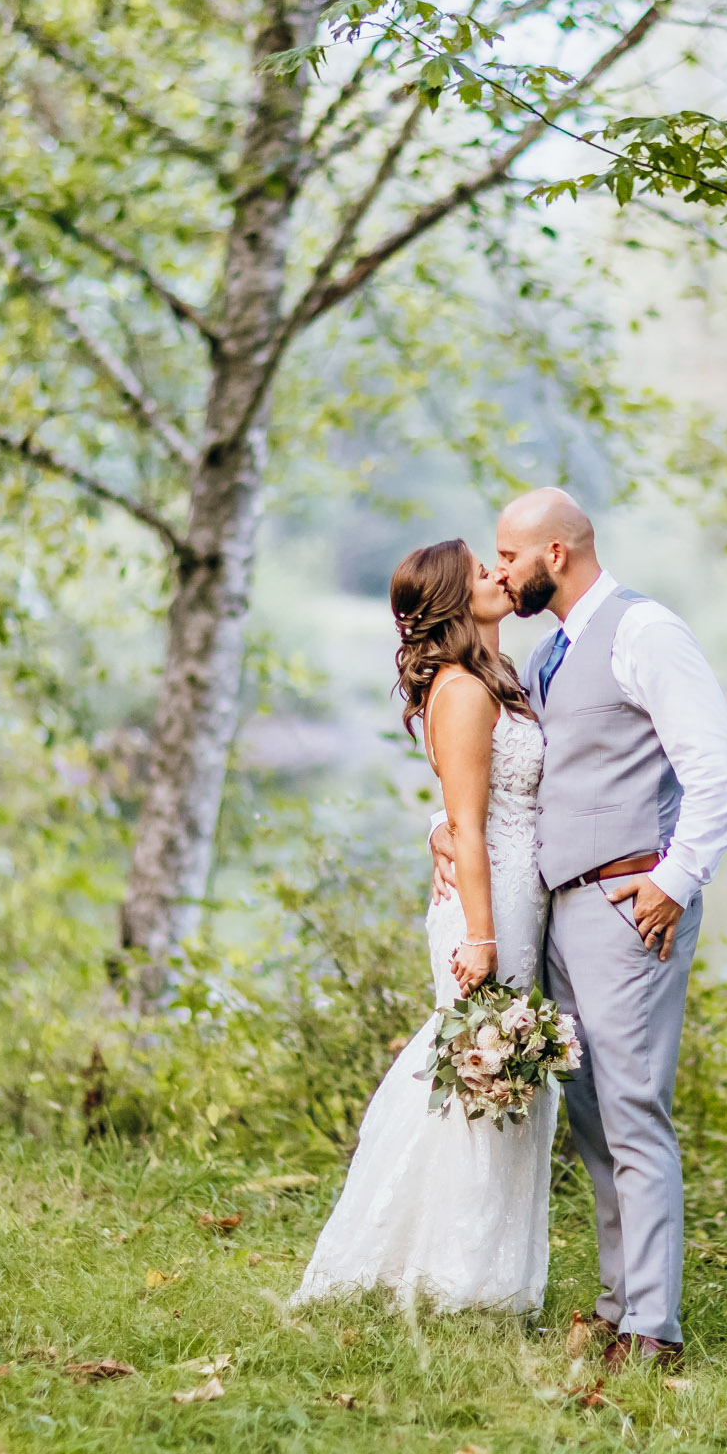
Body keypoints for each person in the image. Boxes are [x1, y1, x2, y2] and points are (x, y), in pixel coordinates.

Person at [433, 488, 727, 1371]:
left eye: (507, 555)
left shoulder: (647, 633)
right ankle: (619, 1304)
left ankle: (654, 1327)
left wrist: (677, 881)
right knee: (591, 1113)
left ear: (556, 556)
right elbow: (513, 776)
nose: (495, 572)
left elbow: (718, 767)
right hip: (562, 909)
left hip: (627, 903)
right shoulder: (548, 654)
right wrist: (440, 834)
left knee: (634, 1107)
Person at [291, 539, 557, 1313]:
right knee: (480, 1070)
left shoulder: (491, 678)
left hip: (511, 893)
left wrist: (438, 831)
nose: (498, 576)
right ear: (452, 597)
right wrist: (480, 936)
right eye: (482, 571)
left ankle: (478, 1270)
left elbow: (457, 811)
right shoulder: (466, 691)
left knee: (499, 1074)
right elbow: (468, 825)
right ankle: (454, 1275)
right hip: (489, 901)